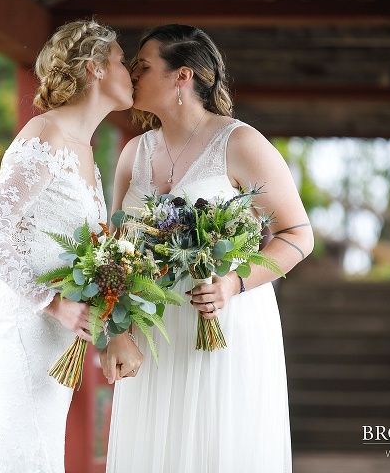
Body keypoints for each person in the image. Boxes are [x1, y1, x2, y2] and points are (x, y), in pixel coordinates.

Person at [101, 24, 314, 472]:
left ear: (183, 76)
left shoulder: (240, 142)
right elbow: (114, 252)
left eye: (143, 66)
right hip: (153, 335)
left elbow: (298, 235)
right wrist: (116, 332)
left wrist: (234, 284)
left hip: (223, 322)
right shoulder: (133, 154)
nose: (132, 75)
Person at [0, 19, 135, 473]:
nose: (131, 71)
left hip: (53, 337)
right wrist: (54, 303)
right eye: (122, 60)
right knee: (26, 458)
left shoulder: (85, 150)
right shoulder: (46, 134)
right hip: (24, 325)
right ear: (96, 68)